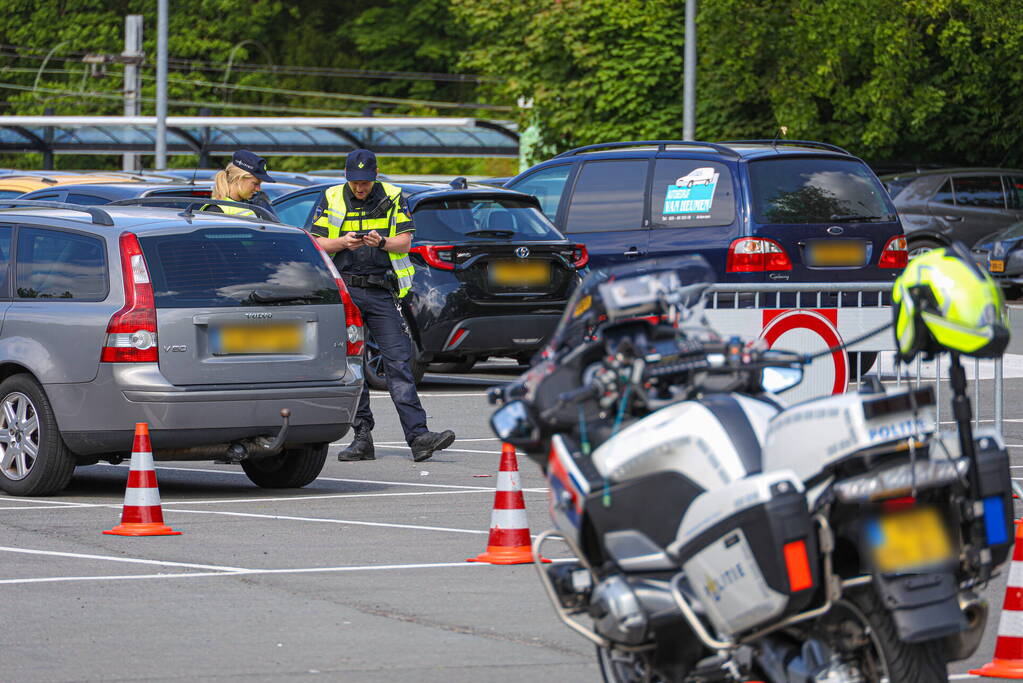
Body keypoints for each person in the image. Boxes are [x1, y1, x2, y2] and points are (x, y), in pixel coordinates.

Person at [309, 149, 455, 463]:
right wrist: (343, 242)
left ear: (375, 175)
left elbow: (406, 241)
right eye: (355, 182)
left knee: (399, 363)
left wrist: (382, 242)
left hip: (380, 291)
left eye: (365, 181)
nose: (360, 187)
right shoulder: (332, 196)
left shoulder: (393, 196)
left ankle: (418, 436)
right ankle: (362, 437)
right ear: (346, 176)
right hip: (345, 292)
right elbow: (316, 241)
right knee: (353, 365)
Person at [202, 150, 278, 219]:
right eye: (255, 183)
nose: (258, 189)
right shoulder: (215, 210)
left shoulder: (251, 204)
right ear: (238, 179)